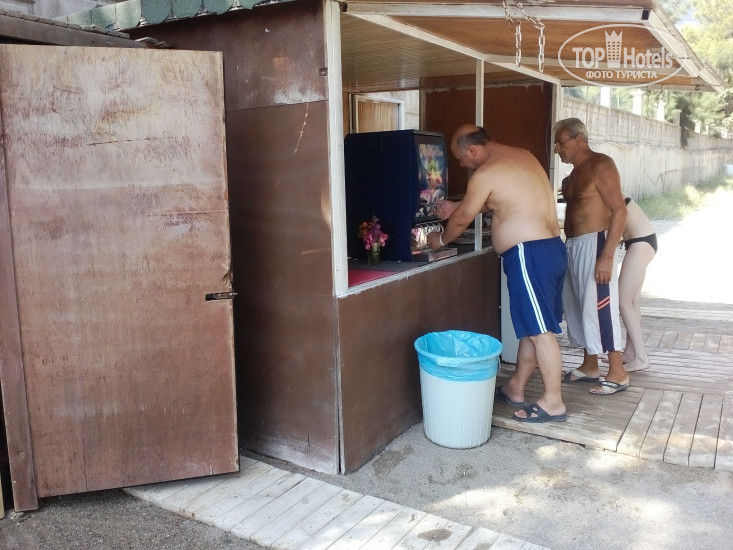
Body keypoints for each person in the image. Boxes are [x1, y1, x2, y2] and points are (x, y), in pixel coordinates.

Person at [428, 124, 567, 423]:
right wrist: (458, 204)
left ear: (472, 150)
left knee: (541, 332)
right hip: (552, 250)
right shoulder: (523, 157)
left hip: (529, 255)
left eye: (461, 159)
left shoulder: (486, 174)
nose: (461, 165)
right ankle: (516, 387)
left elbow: (462, 219)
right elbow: (501, 199)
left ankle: (553, 401)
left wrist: (439, 240)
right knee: (533, 327)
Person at [553, 117, 629, 395]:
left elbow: (619, 210)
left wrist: (607, 257)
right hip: (573, 245)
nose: (557, 149)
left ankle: (618, 372)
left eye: (560, 142)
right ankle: (590, 365)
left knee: (600, 307)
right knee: (579, 306)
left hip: (596, 243)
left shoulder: (601, 164)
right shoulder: (572, 174)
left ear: (579, 139)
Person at [618, 197, 657, 371]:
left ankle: (641, 358)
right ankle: (629, 353)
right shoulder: (614, 192)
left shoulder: (611, 192)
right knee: (632, 302)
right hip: (642, 241)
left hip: (640, 243)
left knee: (623, 301)